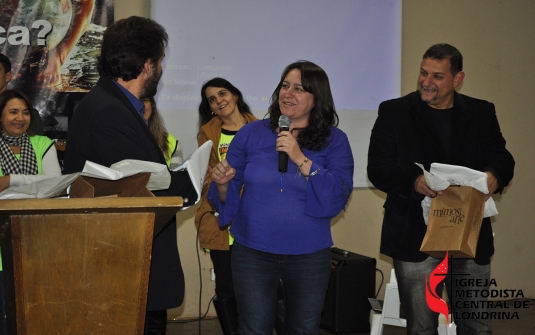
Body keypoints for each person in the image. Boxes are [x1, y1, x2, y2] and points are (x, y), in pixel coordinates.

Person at [367, 43, 515, 335]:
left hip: (469, 238)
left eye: (437, 76)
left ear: (457, 79)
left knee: (476, 325)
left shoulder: (481, 112)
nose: (426, 82)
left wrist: (495, 174)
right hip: (414, 236)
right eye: (423, 73)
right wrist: (414, 181)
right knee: (421, 328)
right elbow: (378, 168)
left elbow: (502, 157)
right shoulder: (394, 112)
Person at [63, 16, 197, 335]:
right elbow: (147, 185)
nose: (162, 70)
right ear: (147, 64)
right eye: (161, 60)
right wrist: (198, 177)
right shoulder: (109, 110)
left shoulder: (111, 104)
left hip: (125, 267)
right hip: (124, 270)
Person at [209, 61, 354, 334]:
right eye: (285, 86)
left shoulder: (335, 140)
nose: (288, 93)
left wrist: (300, 158)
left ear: (316, 98)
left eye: (298, 88)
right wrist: (222, 183)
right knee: (253, 328)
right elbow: (225, 193)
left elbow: (338, 194)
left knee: (303, 328)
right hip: (253, 252)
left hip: (309, 255)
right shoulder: (251, 133)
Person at [195, 77, 257, 335]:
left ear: (235, 96)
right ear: (210, 108)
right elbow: (205, 177)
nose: (220, 100)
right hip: (221, 220)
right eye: (212, 99)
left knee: (258, 284)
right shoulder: (208, 134)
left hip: (255, 217)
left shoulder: (261, 128)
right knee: (226, 286)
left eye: (223, 93)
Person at [0, 89, 61, 335]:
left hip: (38, 239)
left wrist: (10, 180)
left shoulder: (43, 144)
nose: (20, 118)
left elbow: (53, 184)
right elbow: (40, 184)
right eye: (13, 112)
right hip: (1, 247)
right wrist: (33, 183)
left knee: (34, 313)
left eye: (25, 112)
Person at [0, 53, 44, 135]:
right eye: (13, 112)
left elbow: (37, 145)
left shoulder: (28, 116)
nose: (19, 117)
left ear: (7, 76)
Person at [141, 96, 183, 170]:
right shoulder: (119, 137)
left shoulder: (171, 142)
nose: (139, 105)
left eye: (143, 100)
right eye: (134, 100)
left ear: (152, 106)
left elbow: (177, 178)